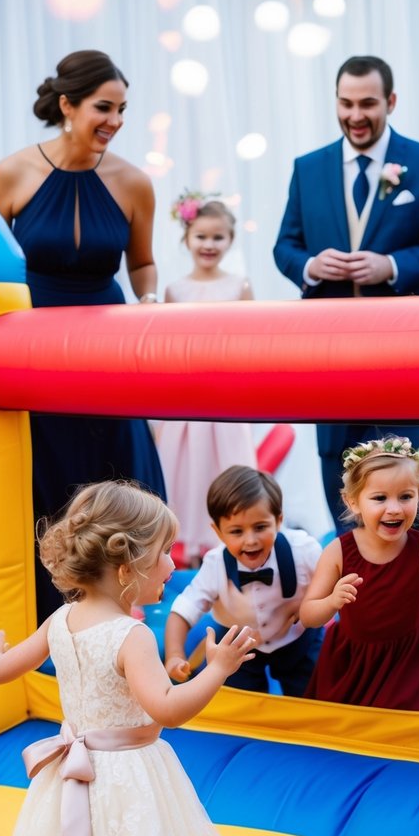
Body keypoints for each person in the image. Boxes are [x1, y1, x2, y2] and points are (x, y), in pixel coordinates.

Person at [0, 480, 254, 836]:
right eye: (164, 555)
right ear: (128, 569)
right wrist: (216, 668)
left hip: (70, 772)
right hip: (129, 776)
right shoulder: (133, 637)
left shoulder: (60, 619)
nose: (174, 565)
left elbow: (0, 671)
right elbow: (169, 710)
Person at [0, 49, 166, 624]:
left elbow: (141, 264)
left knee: (115, 472)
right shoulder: (13, 173)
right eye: (103, 108)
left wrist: (150, 302)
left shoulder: (134, 182)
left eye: (122, 110)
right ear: (67, 105)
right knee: (50, 477)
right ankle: (48, 615)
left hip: (107, 351)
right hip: (35, 351)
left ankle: (121, 613)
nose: (114, 120)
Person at [273, 54, 419, 533]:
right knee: (337, 467)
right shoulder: (307, 168)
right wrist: (310, 266)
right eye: (346, 103)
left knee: (398, 468)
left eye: (368, 104)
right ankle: (350, 596)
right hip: (327, 352)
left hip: (403, 351)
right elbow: (285, 247)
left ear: (391, 102)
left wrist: (393, 266)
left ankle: (405, 599)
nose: (355, 115)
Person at [300, 437, 419, 712]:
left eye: (406, 496)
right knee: (344, 731)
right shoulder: (338, 552)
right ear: (353, 502)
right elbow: (308, 614)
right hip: (355, 663)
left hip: (412, 661)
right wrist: (331, 603)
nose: (395, 508)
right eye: (379, 498)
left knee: (415, 724)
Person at [155, 195, 257, 566]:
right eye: (201, 236)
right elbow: (166, 346)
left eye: (218, 238)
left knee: (226, 469)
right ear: (187, 238)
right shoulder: (175, 290)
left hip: (225, 396)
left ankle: (226, 550)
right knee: (185, 472)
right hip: (186, 398)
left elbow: (250, 342)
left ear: (230, 241)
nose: (209, 245)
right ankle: (187, 550)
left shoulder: (238, 285)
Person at [164, 465, 323, 696]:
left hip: (296, 637)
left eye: (260, 527)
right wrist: (175, 655)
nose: (250, 540)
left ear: (279, 521)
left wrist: (309, 602)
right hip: (238, 644)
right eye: (236, 531)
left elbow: (331, 578)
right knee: (238, 700)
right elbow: (184, 610)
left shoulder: (303, 550)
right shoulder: (215, 564)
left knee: (313, 694)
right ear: (218, 532)